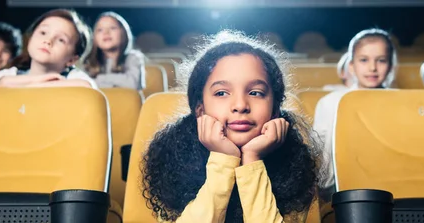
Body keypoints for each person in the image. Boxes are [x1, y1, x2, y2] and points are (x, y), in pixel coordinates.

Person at [141, 30, 321, 223]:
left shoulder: (294, 164)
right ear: (200, 110)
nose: (240, 105)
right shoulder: (173, 161)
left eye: (255, 92)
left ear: (275, 110)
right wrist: (224, 159)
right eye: (221, 93)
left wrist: (252, 159)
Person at [313, 28, 397, 199]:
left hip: (392, 185)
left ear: (390, 66)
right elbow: (324, 161)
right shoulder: (330, 103)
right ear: (351, 66)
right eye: (364, 60)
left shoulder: (399, 103)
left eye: (381, 60)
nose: (372, 68)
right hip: (345, 189)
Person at [0, 9, 96, 89]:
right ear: (30, 39)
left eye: (61, 40)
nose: (48, 41)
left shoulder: (74, 77)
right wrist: (35, 79)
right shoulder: (13, 74)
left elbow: (87, 88)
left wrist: (11, 85)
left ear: (72, 60)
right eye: (43, 33)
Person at [83, 12, 145, 90]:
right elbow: (84, 85)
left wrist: (99, 79)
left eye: (112, 28)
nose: (106, 33)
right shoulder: (88, 62)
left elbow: (132, 84)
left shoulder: (134, 58)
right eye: (100, 30)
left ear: (124, 33)